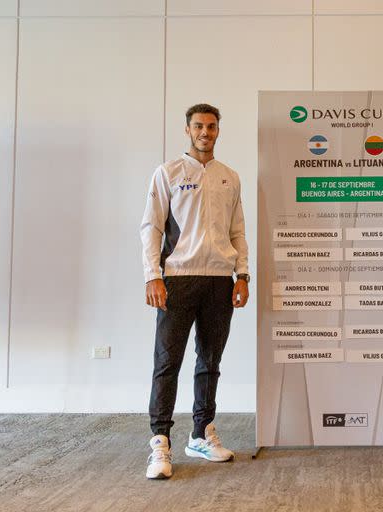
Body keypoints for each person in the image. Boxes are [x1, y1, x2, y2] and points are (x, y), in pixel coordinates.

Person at [139, 103, 250, 479]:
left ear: (219, 130)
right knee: (167, 362)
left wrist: (243, 275)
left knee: (210, 361)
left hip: (220, 280)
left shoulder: (230, 177)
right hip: (179, 279)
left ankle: (201, 433)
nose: (206, 132)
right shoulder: (168, 173)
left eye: (212, 126)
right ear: (188, 130)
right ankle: (160, 442)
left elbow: (238, 231)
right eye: (199, 126)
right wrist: (152, 275)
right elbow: (151, 228)